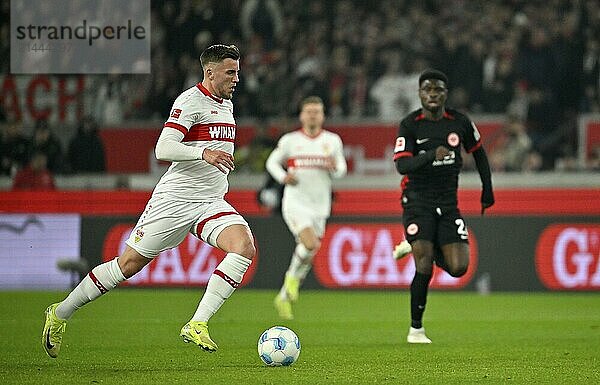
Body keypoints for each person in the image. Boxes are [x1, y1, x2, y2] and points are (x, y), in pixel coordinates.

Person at [42, 44, 255, 358]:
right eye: (230, 72)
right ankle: (60, 313)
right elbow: (163, 148)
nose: (237, 78)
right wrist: (203, 152)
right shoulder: (190, 101)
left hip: (210, 200)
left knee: (244, 247)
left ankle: (198, 323)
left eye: (237, 72)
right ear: (209, 72)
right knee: (127, 265)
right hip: (175, 200)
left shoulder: (227, 105)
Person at [392, 69, 494, 343]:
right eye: (427, 90)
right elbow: (402, 165)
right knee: (424, 263)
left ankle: (412, 243)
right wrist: (428, 155)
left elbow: (480, 155)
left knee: (459, 267)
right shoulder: (410, 124)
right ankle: (416, 329)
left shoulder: (460, 122)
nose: (433, 94)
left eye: (438, 90)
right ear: (420, 94)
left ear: (445, 94)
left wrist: (488, 189)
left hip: (448, 203)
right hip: (417, 200)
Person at [266, 96, 347, 319]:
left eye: (317, 112)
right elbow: (271, 162)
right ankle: (291, 279)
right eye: (309, 111)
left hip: (320, 205)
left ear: (322, 116)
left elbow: (341, 169)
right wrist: (283, 177)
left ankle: (284, 295)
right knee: (310, 243)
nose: (313, 115)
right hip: (295, 203)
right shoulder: (290, 141)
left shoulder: (332, 141)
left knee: (310, 248)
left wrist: (333, 168)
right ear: (302, 115)